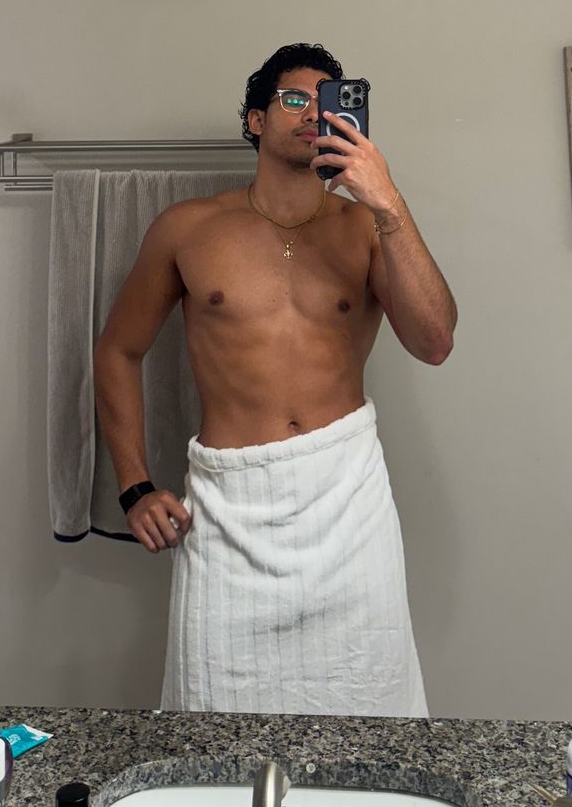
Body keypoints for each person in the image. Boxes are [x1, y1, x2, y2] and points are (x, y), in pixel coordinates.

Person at [93, 41, 457, 715]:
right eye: (294, 99)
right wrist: (134, 486)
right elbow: (117, 350)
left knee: (367, 706)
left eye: (327, 102)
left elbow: (435, 341)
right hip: (229, 509)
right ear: (256, 120)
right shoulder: (189, 229)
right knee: (216, 712)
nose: (313, 113)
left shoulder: (367, 227)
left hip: (347, 501)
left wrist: (388, 204)